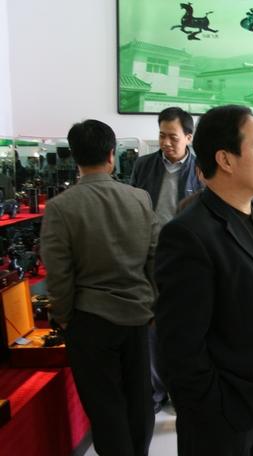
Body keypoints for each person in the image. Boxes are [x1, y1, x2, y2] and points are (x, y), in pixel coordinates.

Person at [154, 105, 253, 456]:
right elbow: (179, 347)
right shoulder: (189, 234)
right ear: (225, 159)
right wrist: (217, 408)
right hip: (223, 418)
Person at [40, 119, 158, 456]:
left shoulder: (61, 207)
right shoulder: (139, 199)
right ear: (111, 155)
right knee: (140, 399)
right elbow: (154, 259)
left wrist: (64, 317)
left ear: (75, 157)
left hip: (90, 320)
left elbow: (59, 274)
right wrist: (153, 305)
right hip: (137, 316)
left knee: (106, 407)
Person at [130, 106, 204, 413]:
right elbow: (133, 208)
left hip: (186, 259)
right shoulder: (144, 166)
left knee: (184, 327)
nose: (166, 142)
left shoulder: (201, 169)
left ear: (189, 137)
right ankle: (156, 392)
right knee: (152, 327)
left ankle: (180, 391)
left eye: (173, 137)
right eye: (162, 136)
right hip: (150, 256)